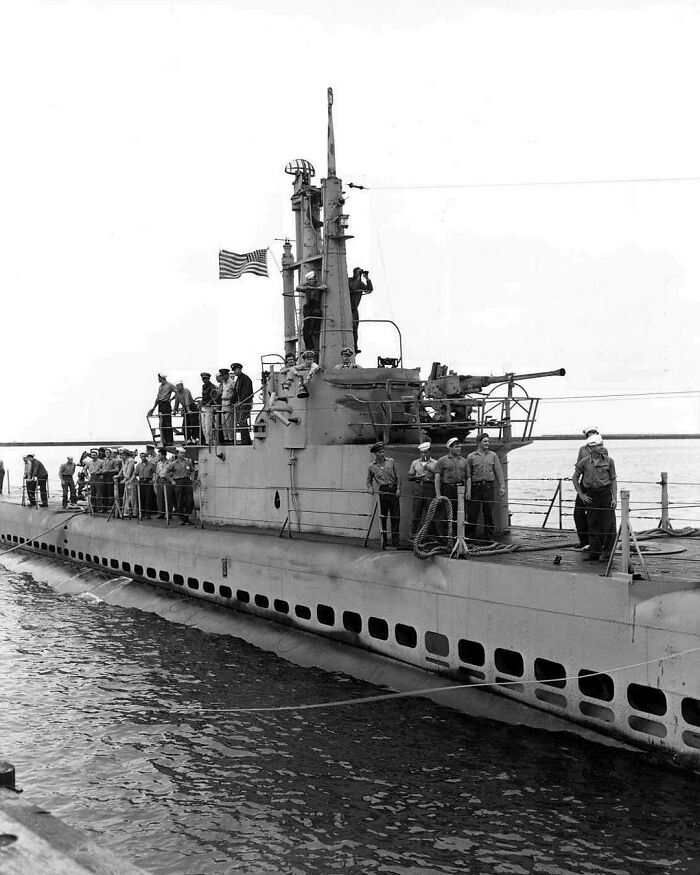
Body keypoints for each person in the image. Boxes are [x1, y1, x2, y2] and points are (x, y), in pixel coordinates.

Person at [572, 434, 618, 563]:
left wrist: (614, 498)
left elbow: (613, 480)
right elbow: (575, 478)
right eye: (598, 445)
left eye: (602, 444)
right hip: (591, 495)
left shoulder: (609, 461)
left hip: (605, 494)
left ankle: (608, 554)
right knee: (592, 524)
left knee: (608, 525)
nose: (602, 447)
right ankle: (595, 553)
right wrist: (581, 494)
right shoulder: (584, 462)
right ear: (591, 448)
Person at [466, 433, 506, 541]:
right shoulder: (471, 457)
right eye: (485, 441)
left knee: (488, 513)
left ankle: (489, 537)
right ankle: (470, 537)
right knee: (473, 514)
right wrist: (468, 490)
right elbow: (468, 475)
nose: (487, 443)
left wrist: (502, 486)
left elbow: (498, 472)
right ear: (479, 442)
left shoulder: (493, 455)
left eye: (488, 441)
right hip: (476, 487)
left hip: (488, 486)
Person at [366, 442, 401, 549]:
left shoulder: (391, 461)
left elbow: (398, 476)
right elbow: (368, 480)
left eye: (383, 451)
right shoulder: (372, 466)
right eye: (380, 452)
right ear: (375, 454)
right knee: (383, 517)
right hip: (382, 491)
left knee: (395, 516)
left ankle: (396, 541)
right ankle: (384, 540)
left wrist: (399, 488)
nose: (382, 454)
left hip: (393, 489)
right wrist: (370, 488)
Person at [434, 437, 468, 542]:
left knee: (460, 514)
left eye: (459, 447)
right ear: (450, 448)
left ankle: (459, 537)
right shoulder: (442, 461)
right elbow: (437, 477)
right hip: (447, 488)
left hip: (460, 489)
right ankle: (445, 539)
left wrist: (468, 491)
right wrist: (438, 494)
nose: (459, 449)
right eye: (456, 447)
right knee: (446, 513)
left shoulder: (464, 461)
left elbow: (468, 477)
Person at [573, 426, 600, 551]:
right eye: (589, 434)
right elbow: (578, 467)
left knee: (593, 516)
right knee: (578, 513)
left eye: (593, 434)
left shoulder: (602, 450)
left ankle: (594, 543)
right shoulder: (582, 450)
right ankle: (583, 540)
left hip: (595, 486)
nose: (591, 436)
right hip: (584, 483)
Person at [408, 441, 438, 539]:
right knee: (416, 513)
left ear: (430, 452)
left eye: (426, 452)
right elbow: (410, 477)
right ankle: (413, 538)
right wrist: (417, 477)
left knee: (431, 514)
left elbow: (438, 477)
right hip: (418, 488)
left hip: (429, 488)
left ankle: (431, 537)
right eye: (422, 453)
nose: (424, 454)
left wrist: (429, 467)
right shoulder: (415, 462)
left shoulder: (435, 463)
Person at [348, 267, 373, 353]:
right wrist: (358, 276)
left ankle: (355, 347)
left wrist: (367, 279)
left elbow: (369, 289)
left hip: (354, 310)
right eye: (358, 273)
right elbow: (353, 287)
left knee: (355, 329)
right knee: (352, 327)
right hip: (348, 309)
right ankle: (352, 347)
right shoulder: (349, 281)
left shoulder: (360, 283)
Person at [167, 448, 194, 525]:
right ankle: (182, 518)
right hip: (178, 481)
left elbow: (192, 470)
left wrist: (192, 478)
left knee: (190, 500)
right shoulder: (173, 463)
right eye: (181, 453)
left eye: (183, 453)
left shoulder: (188, 463)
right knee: (179, 499)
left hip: (187, 481)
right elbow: (167, 473)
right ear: (177, 454)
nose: (183, 455)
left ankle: (187, 516)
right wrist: (172, 480)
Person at [148, 373, 176, 447]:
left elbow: (178, 391)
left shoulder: (169, 385)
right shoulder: (160, 386)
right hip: (160, 405)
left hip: (166, 404)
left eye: (159, 377)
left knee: (167, 423)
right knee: (161, 423)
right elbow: (158, 398)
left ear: (161, 377)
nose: (158, 379)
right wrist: (153, 408)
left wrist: (171, 399)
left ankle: (170, 441)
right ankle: (164, 441)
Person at [231, 363, 254, 445]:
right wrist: (231, 402)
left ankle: (246, 441)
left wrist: (241, 401)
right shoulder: (238, 380)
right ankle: (245, 439)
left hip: (245, 404)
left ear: (240, 369)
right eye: (234, 370)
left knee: (242, 421)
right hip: (239, 404)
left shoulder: (245, 379)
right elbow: (235, 393)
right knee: (241, 422)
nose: (235, 372)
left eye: (236, 369)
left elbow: (247, 392)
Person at [301, 271, 323, 353]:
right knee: (305, 329)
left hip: (316, 306)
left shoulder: (319, 284)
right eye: (309, 280)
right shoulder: (307, 285)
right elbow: (298, 288)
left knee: (318, 314)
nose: (310, 281)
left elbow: (324, 287)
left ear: (314, 279)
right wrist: (307, 287)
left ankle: (314, 330)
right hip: (308, 307)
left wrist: (314, 288)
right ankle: (309, 347)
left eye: (311, 279)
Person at [153, 448, 175, 519]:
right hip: (160, 480)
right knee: (159, 497)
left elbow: (172, 472)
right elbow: (157, 473)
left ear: (163, 455)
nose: (158, 456)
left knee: (168, 498)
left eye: (159, 455)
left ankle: (169, 513)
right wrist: (155, 482)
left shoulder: (170, 463)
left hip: (167, 480)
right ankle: (161, 513)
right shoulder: (158, 463)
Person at [200, 372, 218, 445]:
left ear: (208, 379)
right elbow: (204, 396)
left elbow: (214, 397)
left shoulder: (212, 387)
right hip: (203, 407)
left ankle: (210, 441)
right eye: (203, 379)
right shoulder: (204, 386)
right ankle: (207, 441)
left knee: (208, 426)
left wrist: (210, 403)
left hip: (209, 408)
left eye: (205, 379)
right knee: (203, 426)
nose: (204, 380)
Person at [218, 367, 235, 443]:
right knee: (223, 422)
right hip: (223, 402)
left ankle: (231, 439)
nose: (222, 377)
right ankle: (226, 438)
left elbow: (235, 393)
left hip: (228, 402)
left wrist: (232, 401)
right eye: (221, 375)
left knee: (229, 422)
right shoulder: (223, 383)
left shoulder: (232, 382)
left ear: (227, 375)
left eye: (223, 375)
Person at [119, 449, 137, 519]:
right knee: (126, 497)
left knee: (133, 497)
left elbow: (129, 473)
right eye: (121, 455)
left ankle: (134, 512)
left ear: (126, 455)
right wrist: (118, 475)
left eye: (123, 455)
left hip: (132, 480)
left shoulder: (131, 460)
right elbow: (122, 470)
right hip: (126, 481)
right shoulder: (124, 461)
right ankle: (126, 512)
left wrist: (124, 480)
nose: (121, 456)